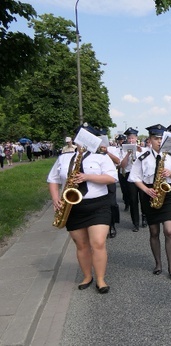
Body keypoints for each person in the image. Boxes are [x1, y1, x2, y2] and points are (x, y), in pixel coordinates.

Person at [47, 123, 118, 294]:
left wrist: (87, 176)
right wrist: (56, 198)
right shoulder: (64, 158)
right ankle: (87, 276)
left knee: (98, 243)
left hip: (98, 205)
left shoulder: (100, 157)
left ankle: (101, 279)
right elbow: (53, 179)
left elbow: (112, 178)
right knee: (81, 244)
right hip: (73, 207)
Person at [128, 124, 171, 280]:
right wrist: (146, 190)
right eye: (156, 138)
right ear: (150, 140)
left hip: (168, 193)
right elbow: (134, 178)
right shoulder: (143, 157)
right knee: (154, 231)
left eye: (161, 138)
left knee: (169, 230)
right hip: (150, 193)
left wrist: (170, 172)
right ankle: (158, 263)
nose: (159, 141)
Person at [120, 127, 146, 232]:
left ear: (136, 138)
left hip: (141, 176)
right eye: (129, 138)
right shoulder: (123, 150)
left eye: (133, 138)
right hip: (130, 176)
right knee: (133, 200)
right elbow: (122, 165)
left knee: (144, 199)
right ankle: (135, 222)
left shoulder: (143, 149)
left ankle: (144, 217)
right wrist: (128, 154)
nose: (131, 140)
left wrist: (141, 151)